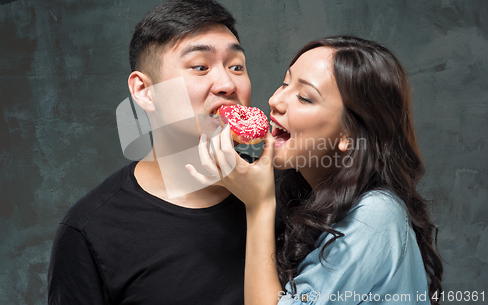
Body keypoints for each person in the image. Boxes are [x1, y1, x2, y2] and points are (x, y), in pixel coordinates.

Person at [186, 36, 443, 304]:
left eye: (304, 97)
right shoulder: (304, 194)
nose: (275, 100)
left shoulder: (377, 215)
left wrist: (259, 206)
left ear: (349, 135)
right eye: (285, 83)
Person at [48, 0, 253, 304]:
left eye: (236, 66)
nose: (226, 83)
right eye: (200, 67)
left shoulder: (289, 190)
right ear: (144, 91)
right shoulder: (91, 229)